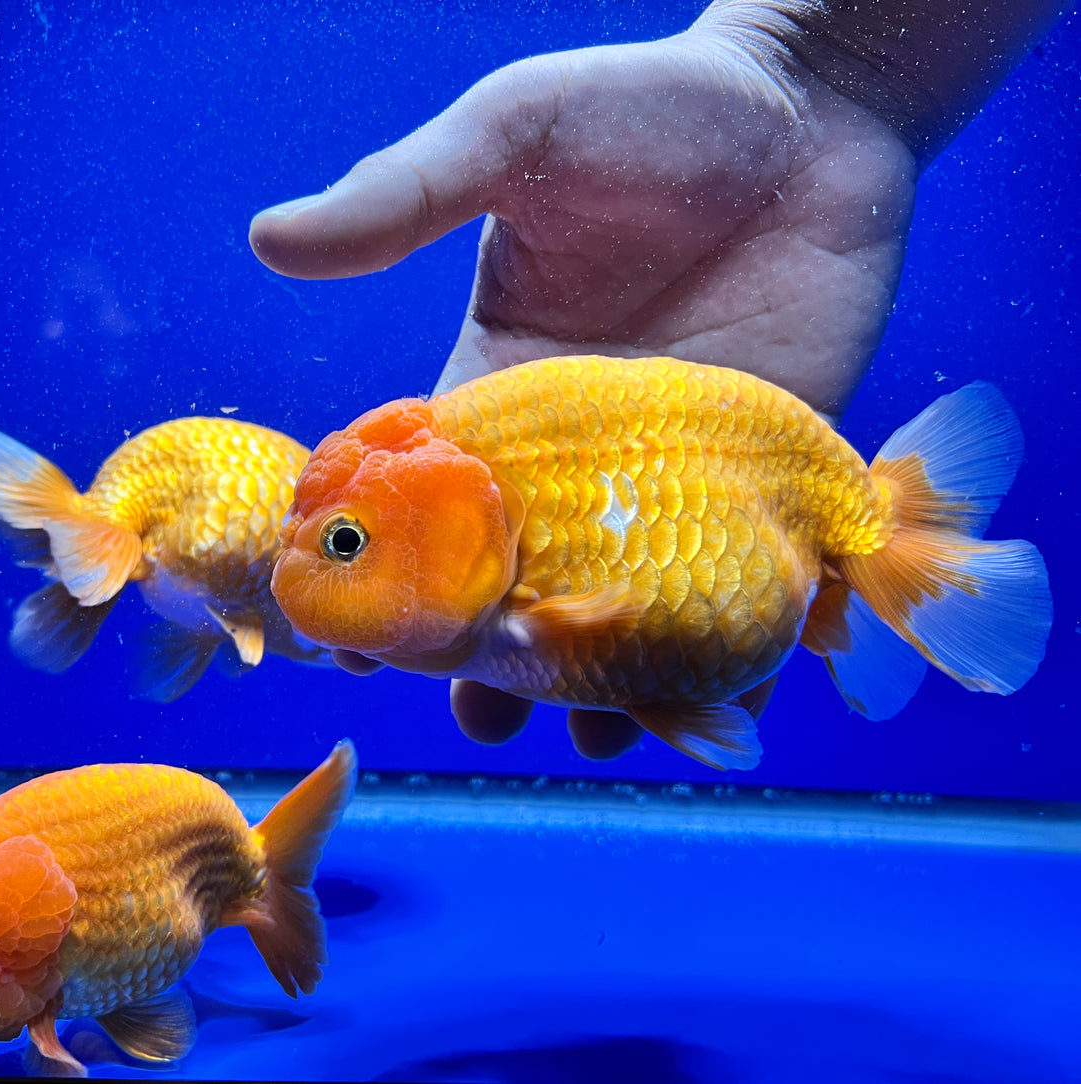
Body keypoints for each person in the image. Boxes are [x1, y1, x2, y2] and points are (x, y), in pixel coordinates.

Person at [247, 0, 1071, 760]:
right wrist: (824, 70)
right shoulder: (502, 597)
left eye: (346, 543)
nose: (308, 565)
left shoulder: (521, 611)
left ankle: (887, 537)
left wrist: (816, 71)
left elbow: (619, 618)